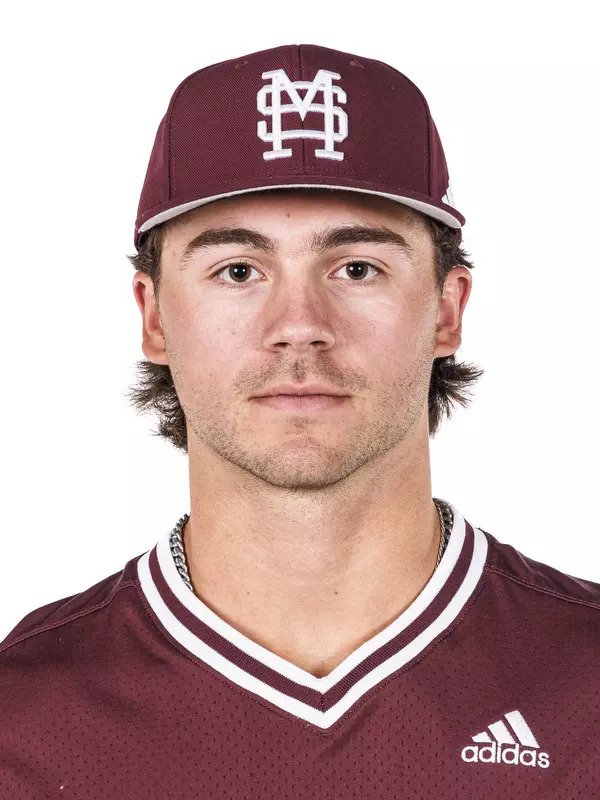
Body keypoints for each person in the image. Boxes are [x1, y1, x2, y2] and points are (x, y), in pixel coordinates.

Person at [1, 43, 598, 798]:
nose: (299, 325)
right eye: (238, 271)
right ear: (154, 320)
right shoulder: (24, 719)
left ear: (447, 312)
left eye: (357, 268)